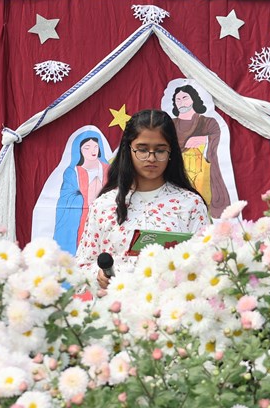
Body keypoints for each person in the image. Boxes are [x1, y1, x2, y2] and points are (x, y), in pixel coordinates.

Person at [77, 109, 210, 288]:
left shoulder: (190, 204)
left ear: (171, 152)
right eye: (142, 150)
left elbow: (207, 264)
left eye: (160, 150)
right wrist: (99, 275)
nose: (151, 158)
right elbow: (83, 266)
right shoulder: (104, 205)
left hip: (172, 303)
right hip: (116, 302)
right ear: (128, 149)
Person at [169, 84, 232, 219]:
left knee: (202, 207)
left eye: (185, 98)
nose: (181, 102)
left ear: (193, 99)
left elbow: (219, 140)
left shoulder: (208, 122)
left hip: (202, 171)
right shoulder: (170, 124)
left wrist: (206, 139)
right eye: (178, 100)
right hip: (178, 171)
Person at [53, 133, 109, 254]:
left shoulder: (109, 170)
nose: (92, 151)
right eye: (87, 148)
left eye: (95, 147)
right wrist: (83, 197)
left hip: (106, 217)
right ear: (79, 151)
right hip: (82, 218)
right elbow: (66, 197)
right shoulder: (72, 172)